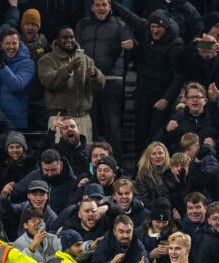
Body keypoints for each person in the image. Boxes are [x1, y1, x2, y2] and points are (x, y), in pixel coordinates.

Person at [110, 2, 184, 155]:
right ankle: (138, 166)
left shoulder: (176, 45)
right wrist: (111, 3)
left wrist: (166, 98)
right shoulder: (145, 28)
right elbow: (128, 15)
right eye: (152, 27)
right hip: (143, 89)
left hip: (161, 93)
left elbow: (178, 77)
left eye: (159, 27)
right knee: (139, 132)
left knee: (156, 134)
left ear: (166, 27)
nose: (155, 30)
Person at [75, 0, 134, 159]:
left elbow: (130, 46)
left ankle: (116, 165)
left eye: (104, 4)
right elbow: (75, 49)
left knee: (113, 126)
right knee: (91, 124)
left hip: (113, 80)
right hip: (89, 81)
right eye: (98, 5)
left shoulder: (120, 24)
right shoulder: (82, 25)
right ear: (92, 7)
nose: (101, 8)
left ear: (110, 7)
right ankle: (91, 163)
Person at [38, 26, 105, 144]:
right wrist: (68, 69)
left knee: (84, 155)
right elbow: (48, 81)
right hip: (60, 117)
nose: (69, 40)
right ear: (57, 40)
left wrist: (95, 75)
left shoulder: (86, 59)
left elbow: (100, 85)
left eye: (71, 37)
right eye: (64, 37)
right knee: (59, 156)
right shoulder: (47, 60)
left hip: (83, 117)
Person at [9, 149, 76, 214]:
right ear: (42, 165)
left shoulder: (73, 182)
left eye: (53, 170)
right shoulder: (35, 176)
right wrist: (4, 197)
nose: (49, 174)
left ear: (61, 165)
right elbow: (15, 191)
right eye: (46, 170)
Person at [0, 28, 35, 130]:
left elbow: (16, 85)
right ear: (1, 44)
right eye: (7, 43)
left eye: (14, 43)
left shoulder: (28, 63)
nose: (11, 47)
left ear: (19, 43)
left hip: (17, 121)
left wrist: (2, 66)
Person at [135, 142, 171, 208]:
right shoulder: (142, 176)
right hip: (153, 211)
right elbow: (144, 200)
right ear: (149, 157)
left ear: (165, 155)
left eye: (160, 153)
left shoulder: (171, 171)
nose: (157, 156)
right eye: (154, 154)